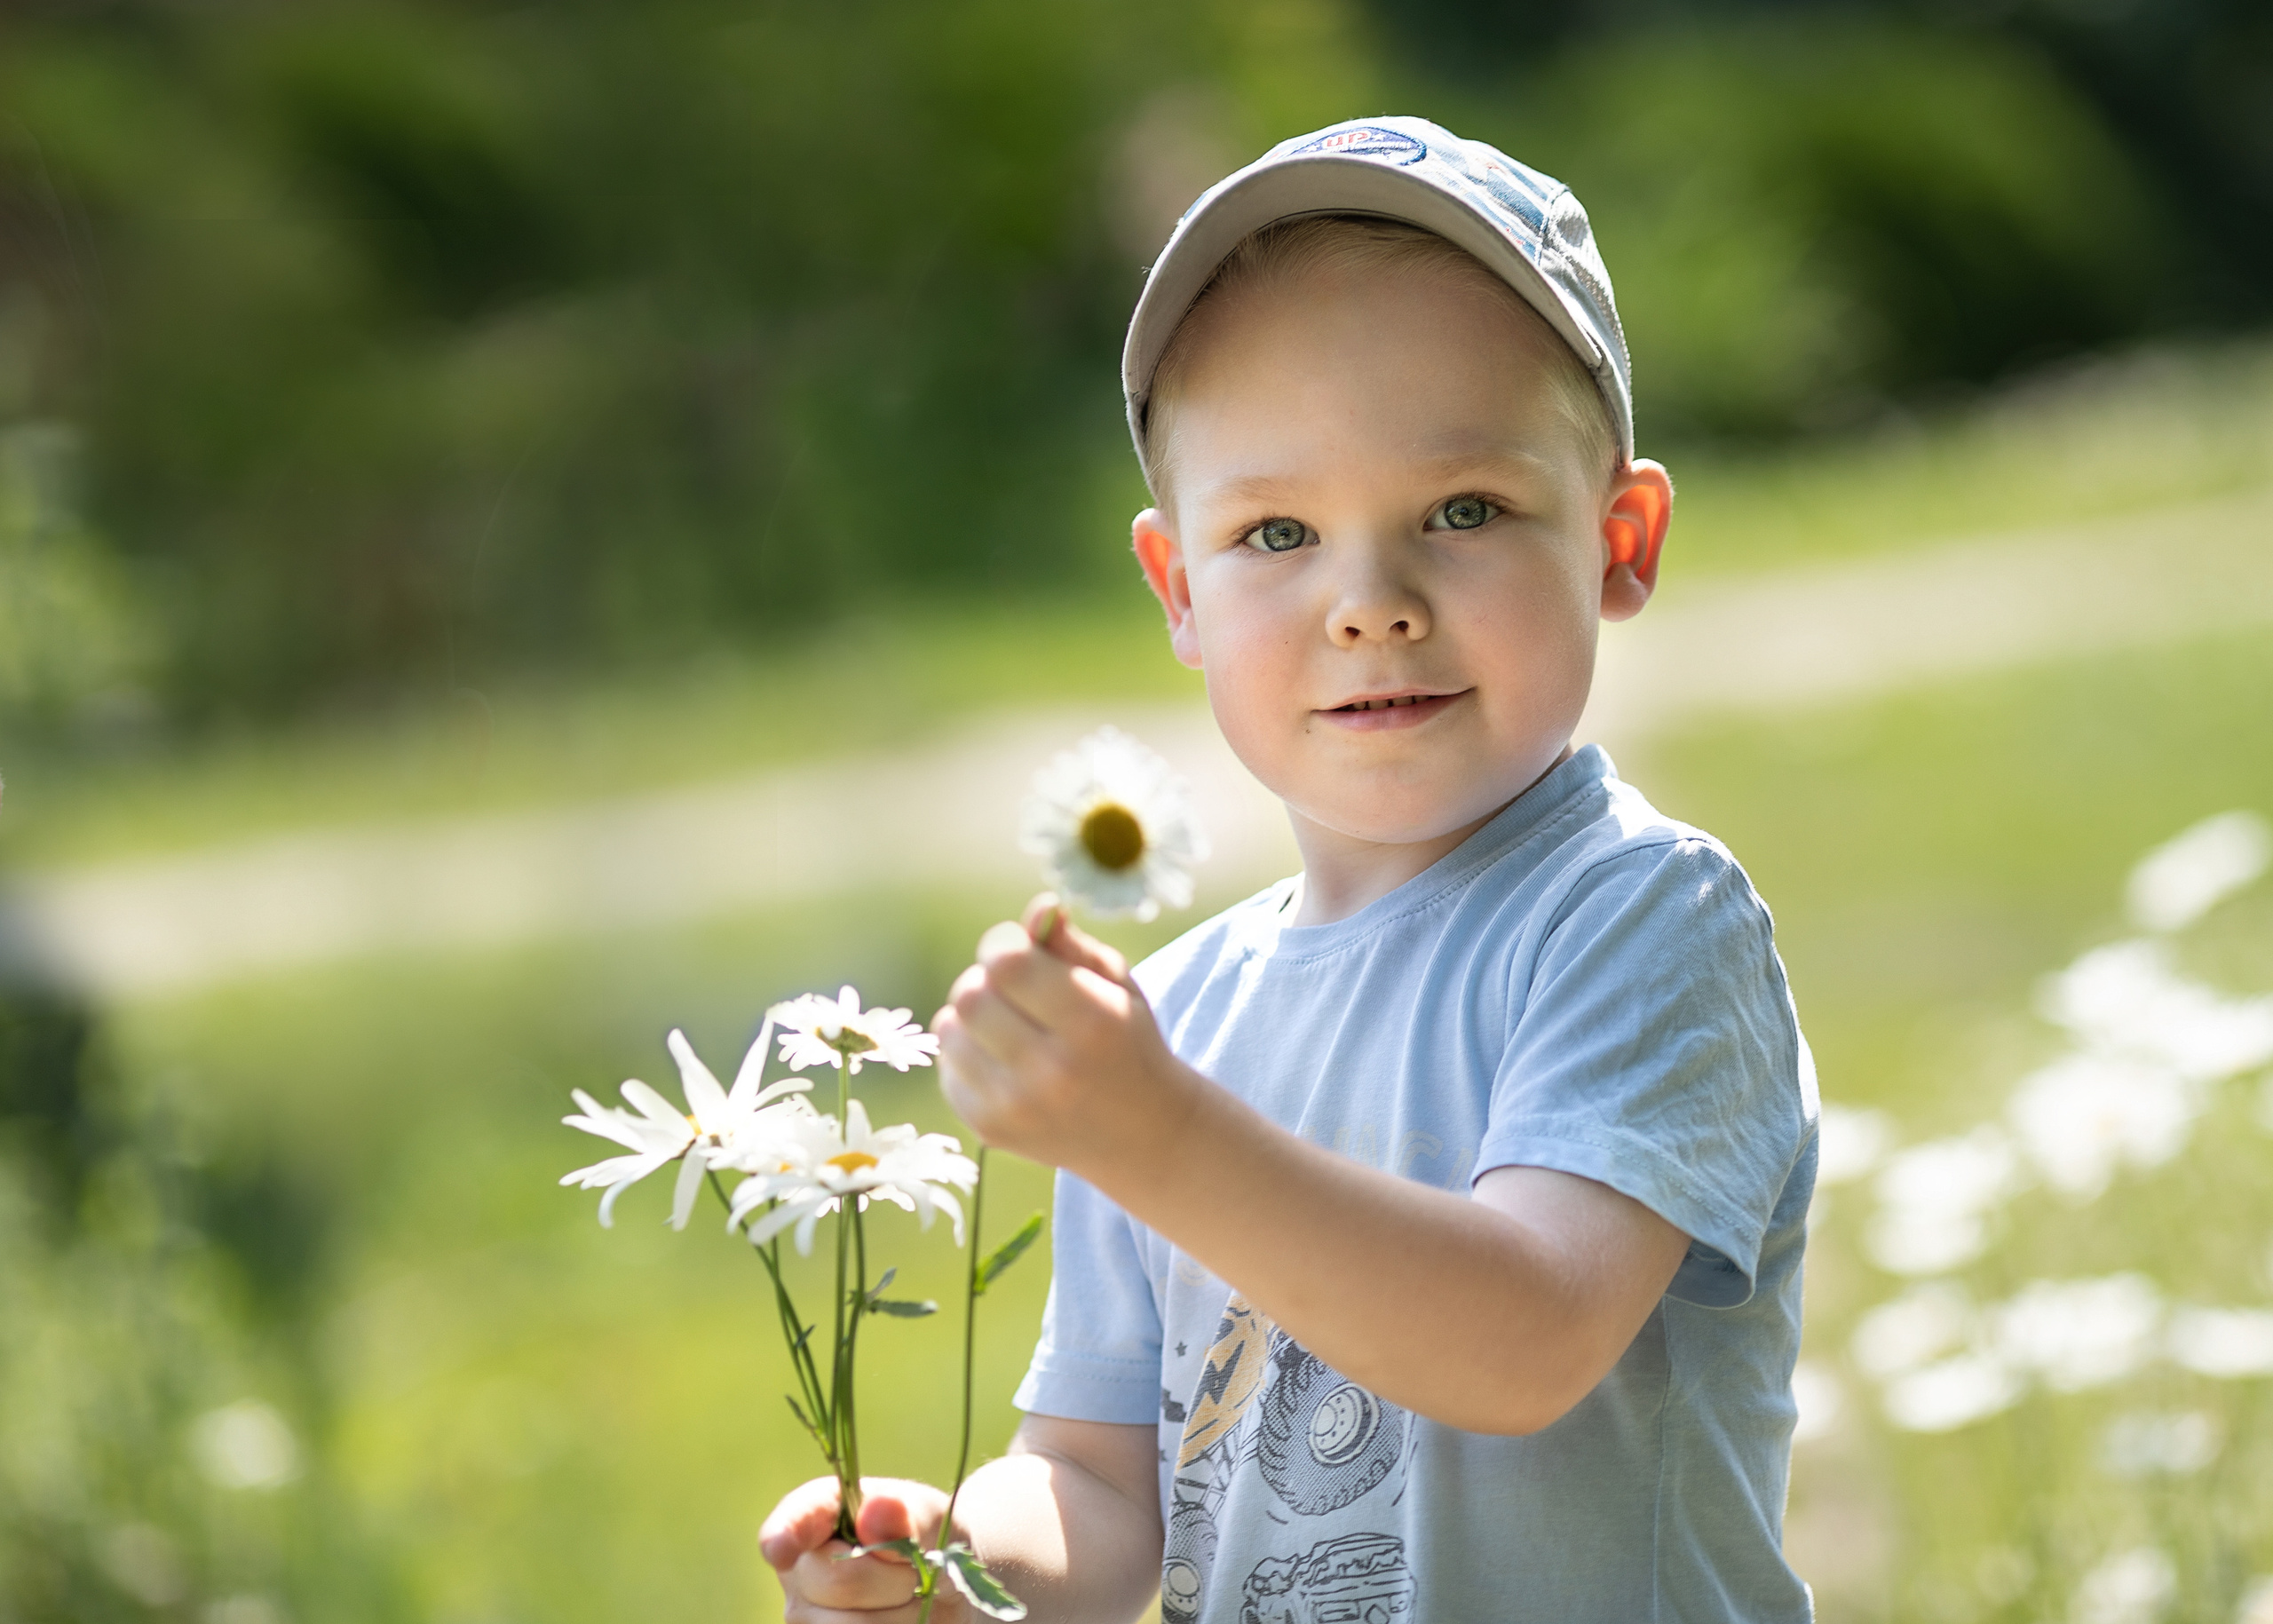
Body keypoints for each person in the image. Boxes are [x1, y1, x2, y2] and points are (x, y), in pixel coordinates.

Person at [761, 115, 1818, 1623]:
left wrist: (1156, 1134)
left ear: (1620, 538)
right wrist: (953, 1564)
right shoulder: (1174, 1021)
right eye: (1277, 531)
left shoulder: (1644, 920)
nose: (1370, 602)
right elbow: (1103, 1483)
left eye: (1464, 510)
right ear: (1179, 591)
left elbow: (1522, 1341)